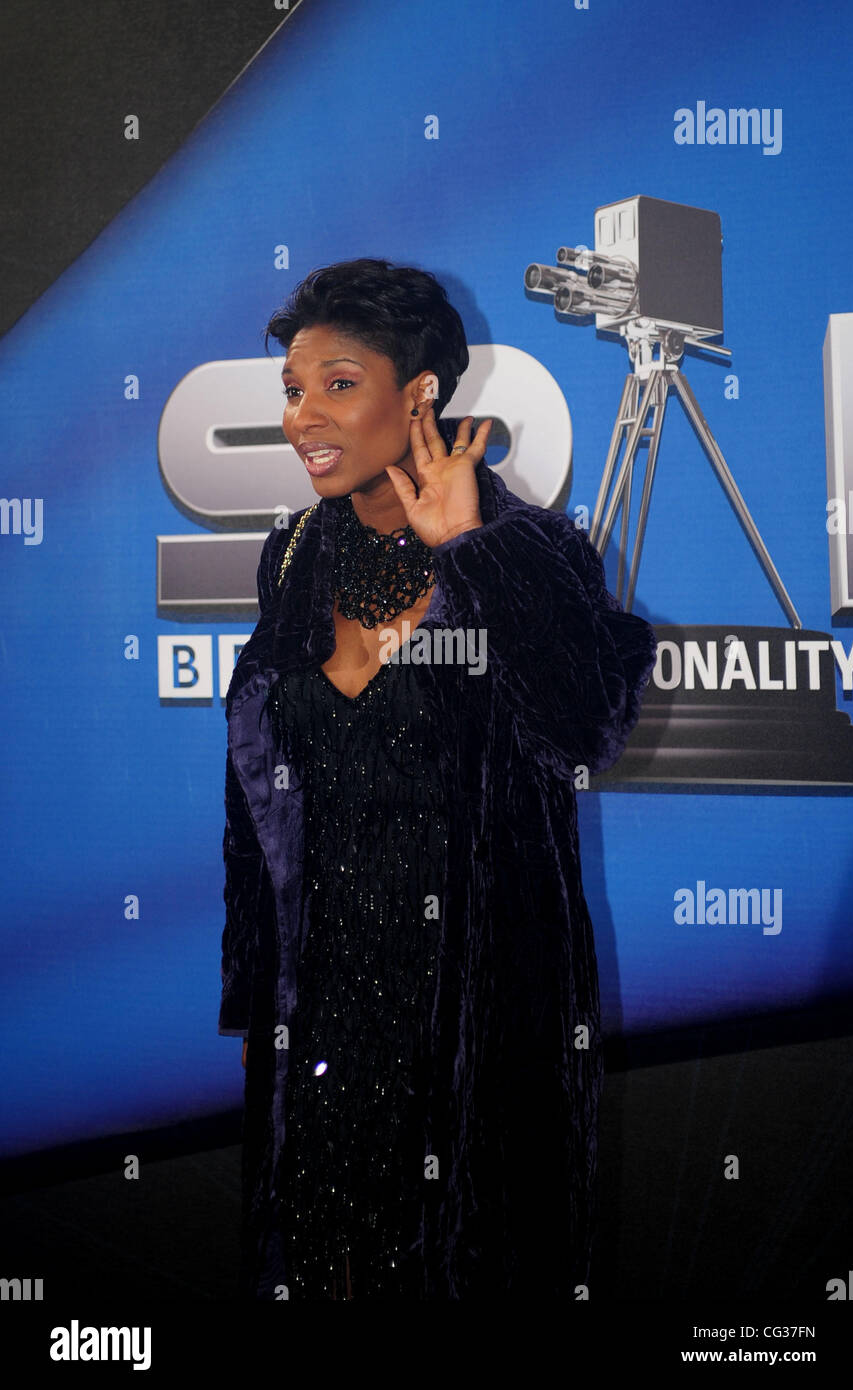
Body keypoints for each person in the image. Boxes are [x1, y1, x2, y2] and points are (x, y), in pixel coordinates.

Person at [219, 257, 657, 1301]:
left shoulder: (532, 548)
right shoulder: (290, 559)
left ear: (419, 392)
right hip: (325, 1026)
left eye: (336, 382)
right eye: (291, 388)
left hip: (473, 1027)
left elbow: (587, 722)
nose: (301, 417)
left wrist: (469, 549)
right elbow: (263, 789)